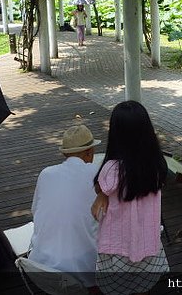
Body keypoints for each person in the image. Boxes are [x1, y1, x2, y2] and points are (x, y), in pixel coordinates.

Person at [91, 101, 169, 295]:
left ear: (116, 135)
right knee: (142, 287)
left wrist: (101, 194)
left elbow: (102, 188)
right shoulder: (157, 165)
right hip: (148, 243)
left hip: (118, 246)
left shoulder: (112, 169)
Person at [29, 125, 101, 290]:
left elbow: (35, 211)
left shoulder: (46, 174)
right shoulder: (96, 173)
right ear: (89, 152)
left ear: (64, 153)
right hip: (81, 274)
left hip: (40, 268)